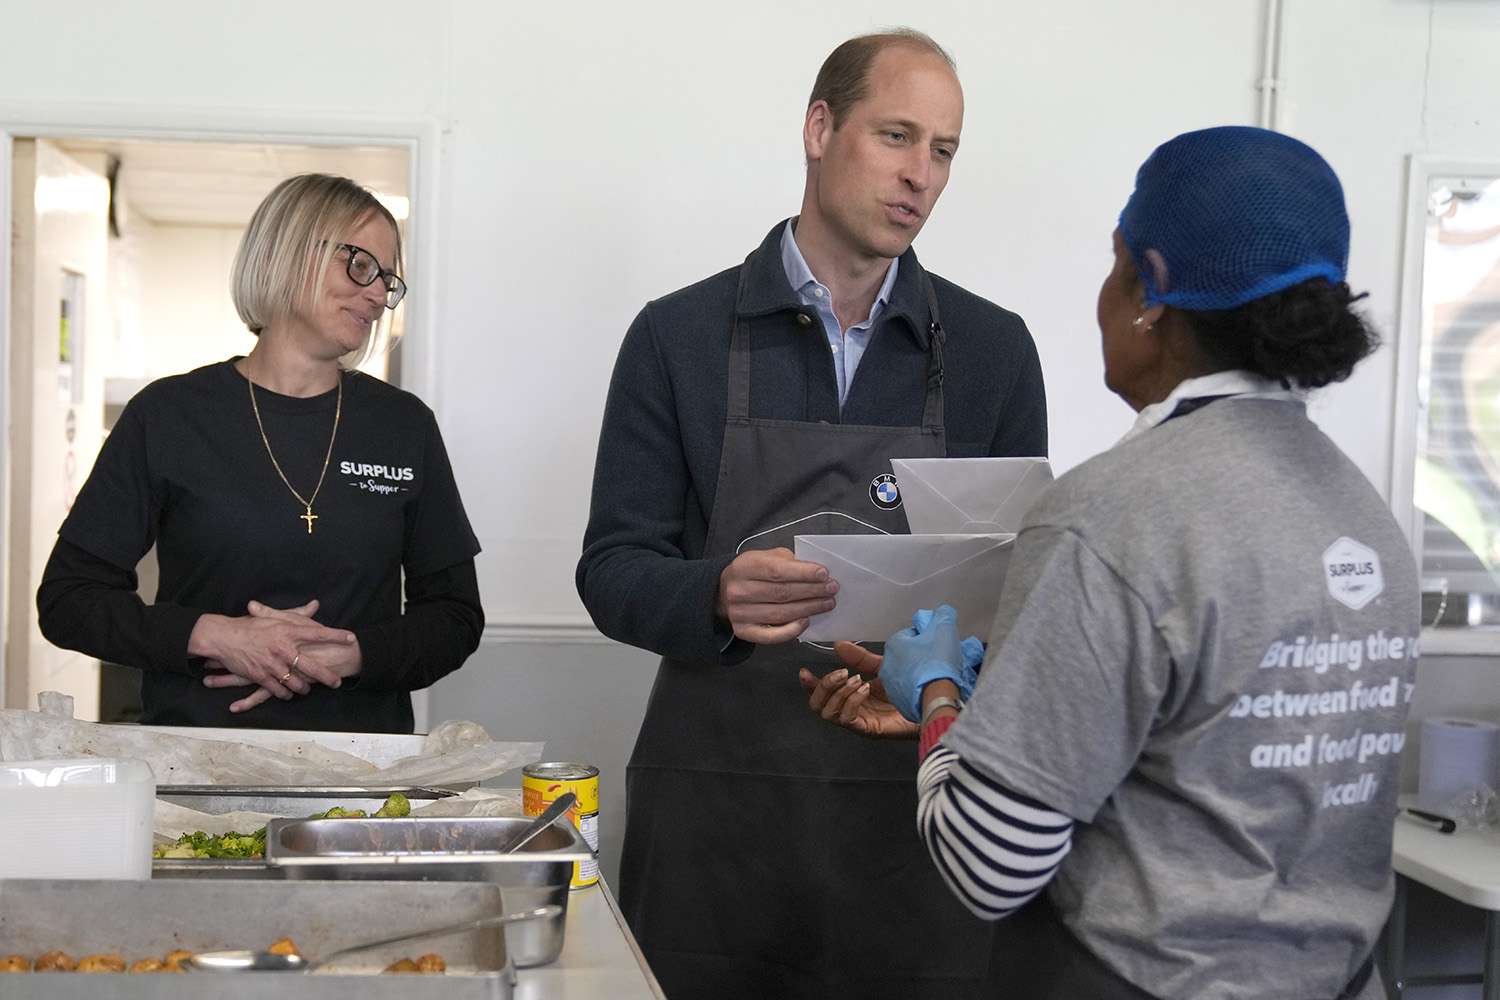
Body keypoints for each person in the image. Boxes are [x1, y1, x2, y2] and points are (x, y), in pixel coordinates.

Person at [804, 126, 1419, 999]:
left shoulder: (1114, 513)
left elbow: (989, 860)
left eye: (1114, 262)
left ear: (1152, 290)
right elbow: (1215, 749)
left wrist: (939, 697)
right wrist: (1006, 718)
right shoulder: (1365, 521)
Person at [577, 28, 1047, 1000]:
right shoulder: (678, 338)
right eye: (897, 136)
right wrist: (716, 594)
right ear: (820, 127)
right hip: (717, 815)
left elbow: (1021, 593)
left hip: (915, 815)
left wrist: (946, 674)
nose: (920, 174)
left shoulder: (994, 352)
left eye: (944, 151)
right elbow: (613, 568)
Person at [37, 173, 483, 732]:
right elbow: (69, 601)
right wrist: (214, 636)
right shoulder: (170, 415)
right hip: (193, 766)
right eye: (361, 266)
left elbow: (455, 617)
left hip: (361, 773)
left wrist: (351, 655)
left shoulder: (404, 426)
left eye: (387, 280)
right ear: (290, 252)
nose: (377, 295)